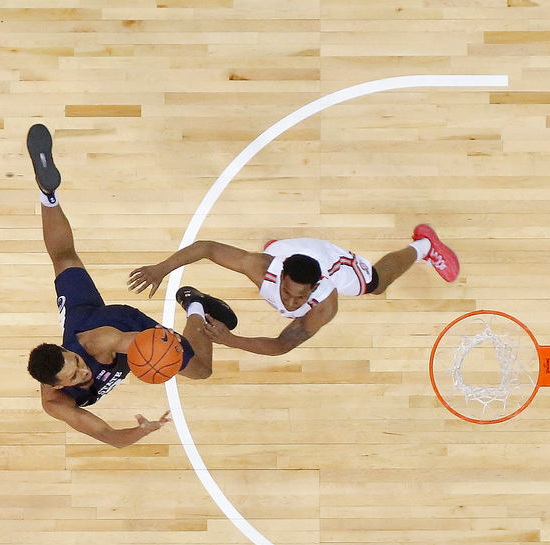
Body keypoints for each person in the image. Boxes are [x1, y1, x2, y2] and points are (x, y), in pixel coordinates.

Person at [25, 124, 239, 448]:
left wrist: (160, 360)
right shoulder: (55, 403)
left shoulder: (99, 342)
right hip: (83, 316)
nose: (82, 372)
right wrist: (140, 431)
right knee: (64, 259)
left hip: (124, 328)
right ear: (54, 386)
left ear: (69, 351)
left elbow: (150, 346)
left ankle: (195, 303)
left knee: (201, 370)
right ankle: (48, 194)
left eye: (77, 363)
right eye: (74, 375)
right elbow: (110, 437)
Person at [127, 228, 460, 356]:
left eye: (301, 297)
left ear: (315, 288)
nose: (291, 301)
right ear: (279, 274)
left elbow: (284, 344)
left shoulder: (324, 305)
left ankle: (424, 246)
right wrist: (160, 269)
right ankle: (281, 246)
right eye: (287, 292)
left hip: (332, 262)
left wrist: (232, 340)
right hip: (288, 251)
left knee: (375, 284)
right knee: (267, 252)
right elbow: (207, 247)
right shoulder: (261, 267)